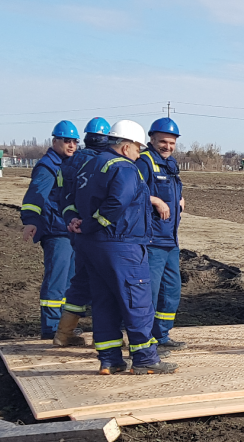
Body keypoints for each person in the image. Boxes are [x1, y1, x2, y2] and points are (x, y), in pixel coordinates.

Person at [71, 120, 177, 375]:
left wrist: (83, 225)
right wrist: (96, 224)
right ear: (126, 146)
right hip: (122, 243)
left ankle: (110, 360)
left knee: (104, 302)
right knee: (137, 300)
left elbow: (73, 198)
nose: (139, 153)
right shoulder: (125, 168)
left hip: (92, 247)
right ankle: (145, 359)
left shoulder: (90, 164)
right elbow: (118, 201)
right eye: (138, 148)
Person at [52, 117, 113, 347]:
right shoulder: (107, 162)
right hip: (100, 232)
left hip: (76, 231)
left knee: (81, 281)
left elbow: (62, 196)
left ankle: (63, 334)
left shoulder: (68, 163)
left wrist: (71, 218)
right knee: (108, 284)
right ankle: (108, 338)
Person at [20, 121, 79, 341]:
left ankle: (64, 329)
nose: (71, 145)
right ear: (55, 141)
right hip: (56, 232)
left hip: (69, 231)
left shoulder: (69, 164)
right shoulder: (47, 166)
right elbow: (35, 196)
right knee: (56, 282)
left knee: (70, 281)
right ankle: (51, 329)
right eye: (66, 141)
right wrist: (31, 220)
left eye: (74, 141)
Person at [140, 118, 187, 348]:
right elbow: (132, 193)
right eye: (163, 142)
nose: (167, 146)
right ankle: (145, 339)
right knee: (149, 292)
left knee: (171, 291)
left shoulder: (171, 164)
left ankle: (162, 336)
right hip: (152, 240)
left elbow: (172, 188)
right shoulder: (144, 162)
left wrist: (179, 199)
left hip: (170, 240)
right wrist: (154, 199)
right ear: (152, 139)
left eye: (172, 142)